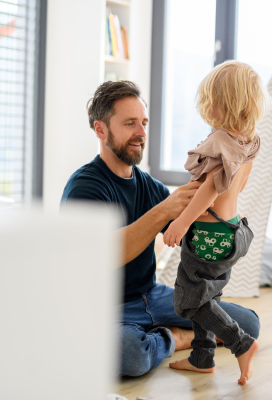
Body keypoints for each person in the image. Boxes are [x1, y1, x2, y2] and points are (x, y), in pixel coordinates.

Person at [60, 80, 261, 377]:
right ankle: (177, 337)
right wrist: (164, 211)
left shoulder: (149, 186)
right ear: (100, 130)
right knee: (131, 355)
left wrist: (219, 207)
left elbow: (188, 233)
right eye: (130, 123)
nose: (141, 133)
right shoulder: (85, 188)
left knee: (248, 324)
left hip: (152, 295)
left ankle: (170, 331)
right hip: (108, 307)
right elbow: (98, 257)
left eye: (143, 122)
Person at [163, 60, 270, 386]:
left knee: (188, 301)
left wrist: (181, 222)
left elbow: (210, 190)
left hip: (208, 233)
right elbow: (236, 185)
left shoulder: (219, 142)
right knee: (207, 295)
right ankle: (202, 356)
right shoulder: (247, 141)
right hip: (234, 230)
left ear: (220, 102)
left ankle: (241, 343)